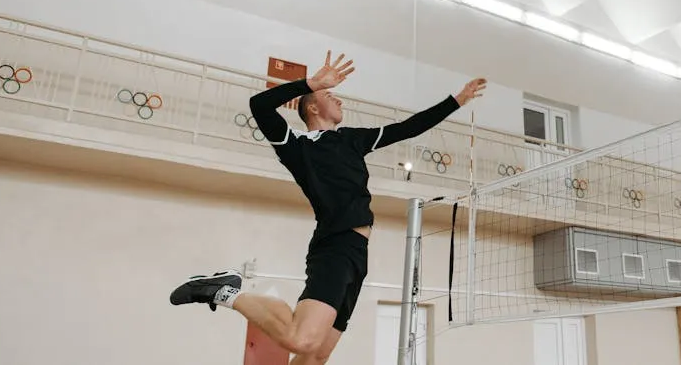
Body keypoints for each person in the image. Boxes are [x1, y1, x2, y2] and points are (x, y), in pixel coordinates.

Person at [170, 51, 486, 363]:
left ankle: (238, 294)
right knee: (300, 339)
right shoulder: (296, 147)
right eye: (330, 95)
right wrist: (309, 82)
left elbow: (410, 127)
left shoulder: (352, 139)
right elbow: (259, 105)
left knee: (316, 355)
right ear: (311, 105)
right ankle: (224, 291)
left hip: (357, 256)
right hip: (334, 246)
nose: (340, 101)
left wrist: (457, 100)